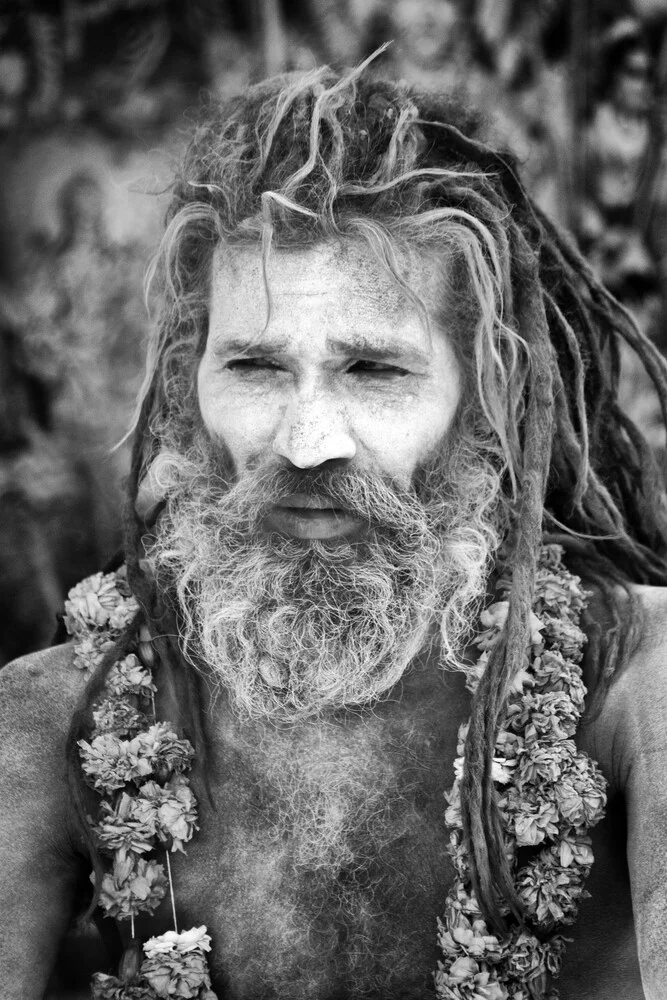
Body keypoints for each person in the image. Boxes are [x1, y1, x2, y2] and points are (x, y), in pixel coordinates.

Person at [2, 56, 667, 1000]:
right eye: (257, 368)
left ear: (485, 400)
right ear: (193, 388)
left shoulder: (639, 676)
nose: (307, 445)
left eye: (374, 371)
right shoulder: (49, 717)